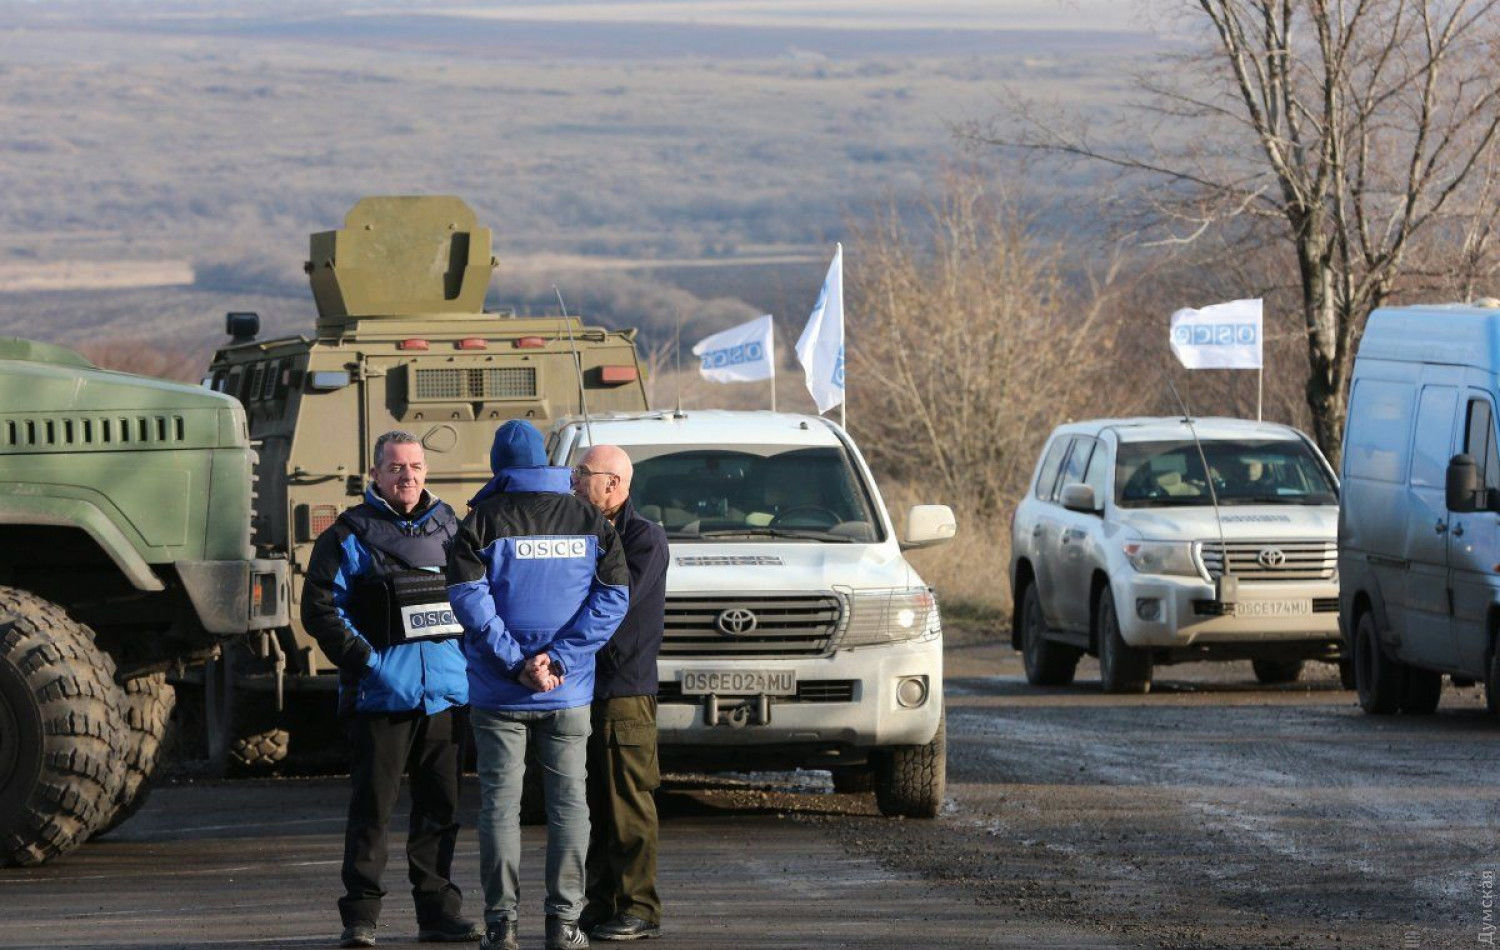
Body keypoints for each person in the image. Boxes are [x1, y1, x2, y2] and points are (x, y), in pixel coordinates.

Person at [447, 421, 631, 950]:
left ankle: (501, 926)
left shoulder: (481, 520)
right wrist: (561, 660)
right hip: (566, 693)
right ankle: (565, 924)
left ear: (498, 465)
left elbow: (467, 598)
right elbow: (613, 599)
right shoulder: (591, 521)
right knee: (570, 806)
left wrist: (517, 661)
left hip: (499, 692)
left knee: (499, 810)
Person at [301, 430, 480, 948]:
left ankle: (439, 915)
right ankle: (361, 918)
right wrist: (367, 662)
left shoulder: (453, 528)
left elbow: (476, 598)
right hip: (381, 696)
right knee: (373, 812)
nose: (408, 476)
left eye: (416, 467)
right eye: (397, 467)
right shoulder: (348, 534)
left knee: (440, 811)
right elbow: (320, 609)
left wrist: (467, 664)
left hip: (446, 695)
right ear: (376, 474)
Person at [573, 445, 668, 942]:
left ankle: (639, 906)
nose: (572, 481)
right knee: (594, 803)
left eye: (581, 473)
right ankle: (603, 902)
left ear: (612, 484)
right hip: (584, 688)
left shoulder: (642, 538)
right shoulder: (580, 530)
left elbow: (615, 601)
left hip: (623, 690)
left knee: (628, 802)